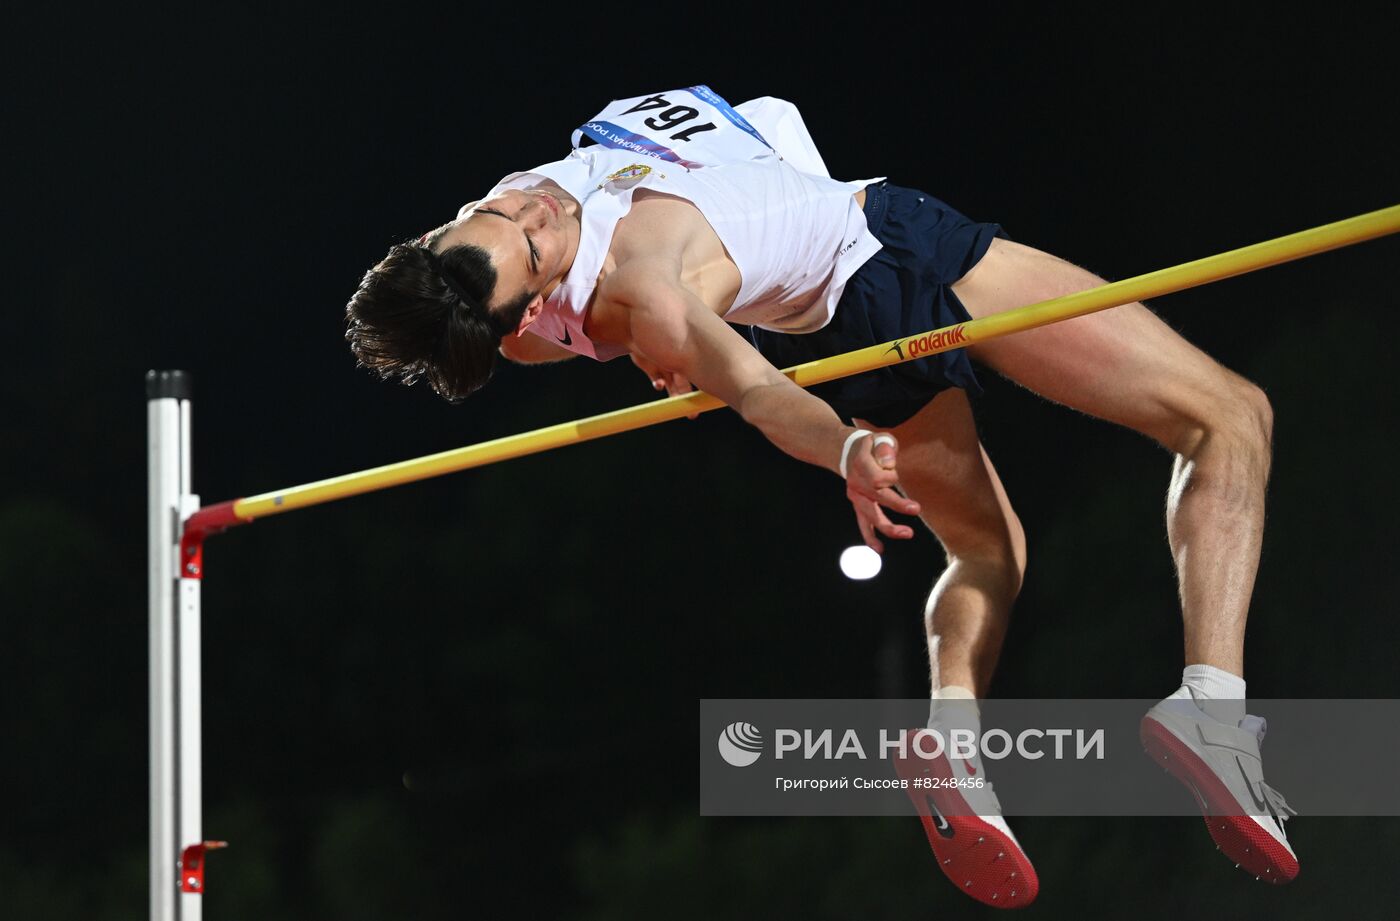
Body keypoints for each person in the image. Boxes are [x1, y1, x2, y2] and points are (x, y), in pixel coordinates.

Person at [344, 86, 1296, 906]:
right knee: (1224, 420)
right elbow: (757, 393)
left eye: (501, 216)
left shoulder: (489, 236)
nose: (534, 214)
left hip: (871, 261)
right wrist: (840, 450)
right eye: (538, 258)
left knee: (1002, 542)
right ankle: (1209, 711)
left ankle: (954, 741)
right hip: (881, 268)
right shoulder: (638, 294)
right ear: (536, 303)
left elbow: (519, 271)